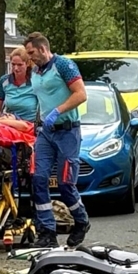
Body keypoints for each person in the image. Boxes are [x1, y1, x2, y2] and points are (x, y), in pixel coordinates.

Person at [25, 31, 90, 247]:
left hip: (67, 131)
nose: (30, 57)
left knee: (65, 183)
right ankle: (47, 232)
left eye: (32, 52)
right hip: (46, 132)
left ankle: (81, 221)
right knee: (39, 179)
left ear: (43, 48)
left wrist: (57, 111)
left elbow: (80, 94)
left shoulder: (63, 65)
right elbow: (40, 100)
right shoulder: (35, 72)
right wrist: (38, 121)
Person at [0, 46, 38, 122]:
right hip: (9, 123)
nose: (16, 68)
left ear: (27, 64)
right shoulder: (4, 81)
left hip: (29, 125)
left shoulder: (36, 81)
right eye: (13, 64)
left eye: (20, 65)